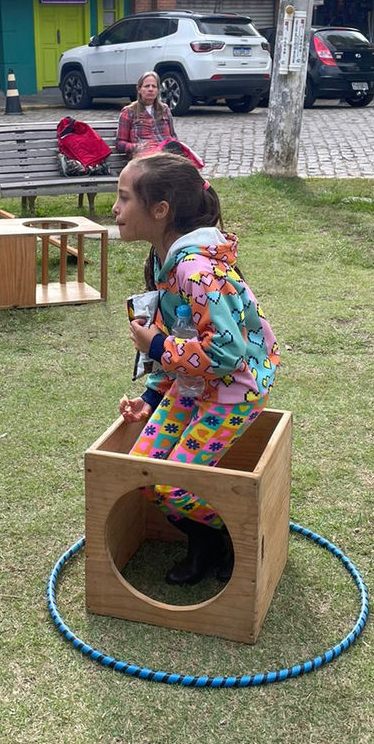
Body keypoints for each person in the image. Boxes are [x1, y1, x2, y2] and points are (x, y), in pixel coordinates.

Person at [114, 151, 280, 585]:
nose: (115, 209)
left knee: (173, 485)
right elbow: (181, 332)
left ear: (160, 210)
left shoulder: (196, 270)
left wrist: (159, 345)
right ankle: (205, 543)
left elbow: (227, 354)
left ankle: (230, 538)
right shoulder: (161, 261)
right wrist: (151, 398)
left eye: (124, 198)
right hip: (191, 386)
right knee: (145, 471)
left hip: (232, 392)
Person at [115, 71, 177, 158]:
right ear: (139, 89)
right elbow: (120, 143)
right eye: (147, 86)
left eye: (154, 86)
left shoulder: (165, 110)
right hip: (143, 158)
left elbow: (173, 136)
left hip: (165, 155)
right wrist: (137, 147)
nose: (150, 89)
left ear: (158, 90)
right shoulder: (128, 112)